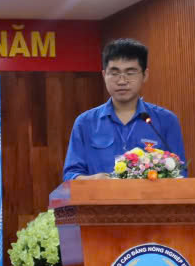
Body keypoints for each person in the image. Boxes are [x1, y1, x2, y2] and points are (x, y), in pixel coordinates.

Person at [62, 38, 187, 181]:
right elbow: (70, 176)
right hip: (101, 195)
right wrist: (94, 180)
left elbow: (180, 174)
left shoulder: (166, 121)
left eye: (130, 72)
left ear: (145, 75)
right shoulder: (85, 123)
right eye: (114, 73)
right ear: (104, 75)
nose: (122, 81)